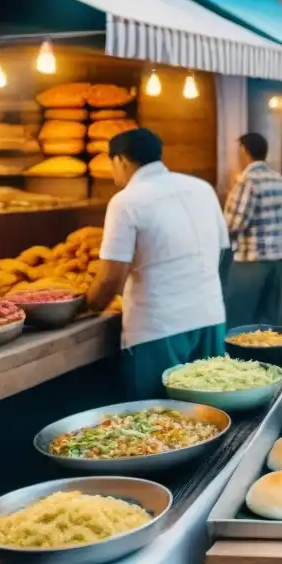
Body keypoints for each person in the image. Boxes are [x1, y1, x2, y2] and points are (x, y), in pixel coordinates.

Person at [87, 128, 230, 399]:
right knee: (211, 408)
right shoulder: (201, 189)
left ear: (121, 160)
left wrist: (84, 307)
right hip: (209, 317)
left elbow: (110, 280)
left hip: (159, 328)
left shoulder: (126, 201)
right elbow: (223, 252)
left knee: (156, 416)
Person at [222, 133, 282, 327]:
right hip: (278, 258)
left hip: (251, 259)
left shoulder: (247, 179)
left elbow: (235, 222)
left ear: (244, 151)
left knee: (239, 318)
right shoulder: (278, 178)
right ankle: (268, 356)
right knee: (270, 319)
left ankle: (239, 357)